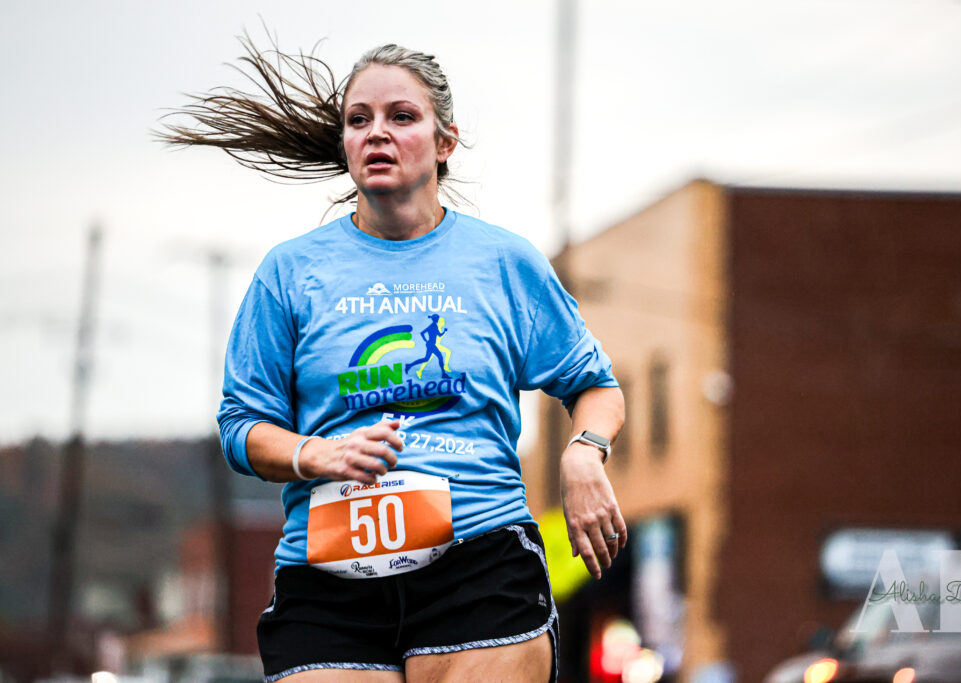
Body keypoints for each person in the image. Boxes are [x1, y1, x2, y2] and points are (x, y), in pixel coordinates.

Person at [158, 34, 626, 683]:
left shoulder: (503, 263)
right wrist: (314, 453)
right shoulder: (289, 274)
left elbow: (595, 385)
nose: (377, 132)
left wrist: (584, 450)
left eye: (401, 117)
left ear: (444, 142)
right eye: (359, 120)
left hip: (478, 562)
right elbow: (242, 428)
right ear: (346, 142)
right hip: (330, 574)